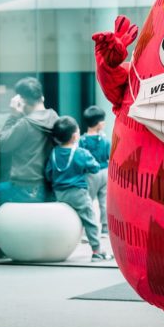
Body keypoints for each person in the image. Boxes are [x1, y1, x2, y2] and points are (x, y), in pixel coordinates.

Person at [46, 116, 111, 261]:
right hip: (78, 193)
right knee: (89, 219)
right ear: (75, 136)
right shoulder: (80, 153)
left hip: (59, 194)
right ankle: (97, 251)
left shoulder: (54, 153)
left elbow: (48, 173)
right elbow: (94, 168)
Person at [0, 77, 58, 203]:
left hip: (23, 187)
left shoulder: (25, 124)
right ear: (42, 98)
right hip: (47, 187)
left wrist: (13, 115)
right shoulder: (55, 118)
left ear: (21, 101)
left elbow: (2, 145)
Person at [80, 105, 111, 236]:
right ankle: (105, 228)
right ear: (99, 124)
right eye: (103, 120)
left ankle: (88, 228)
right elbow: (109, 156)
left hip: (90, 174)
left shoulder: (81, 140)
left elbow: (80, 158)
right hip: (104, 172)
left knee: (88, 201)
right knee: (104, 201)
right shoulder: (105, 140)